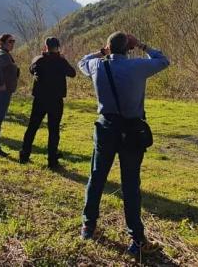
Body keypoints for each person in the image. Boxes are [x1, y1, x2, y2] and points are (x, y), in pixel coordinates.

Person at [78, 31, 169, 257]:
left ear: (109, 47)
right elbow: (163, 61)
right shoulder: (138, 66)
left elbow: (82, 62)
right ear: (129, 48)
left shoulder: (97, 66)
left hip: (106, 128)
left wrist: (102, 51)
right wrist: (143, 44)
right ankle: (136, 239)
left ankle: (88, 227)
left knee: (97, 177)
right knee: (130, 185)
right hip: (131, 131)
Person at [19, 37, 76, 168]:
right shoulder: (61, 61)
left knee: (32, 127)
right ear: (58, 47)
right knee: (54, 130)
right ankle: (52, 160)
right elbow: (72, 73)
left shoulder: (39, 60)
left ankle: (24, 155)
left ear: (46, 46)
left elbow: (31, 69)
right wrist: (61, 58)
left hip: (40, 99)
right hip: (56, 100)